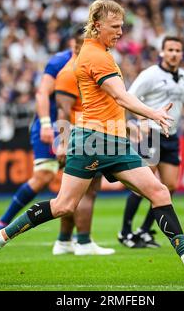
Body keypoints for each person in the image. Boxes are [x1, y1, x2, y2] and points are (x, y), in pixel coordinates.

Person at [0, 0, 184, 283]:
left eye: (122, 26)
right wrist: (154, 114)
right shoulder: (96, 56)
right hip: (93, 140)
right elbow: (120, 96)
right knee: (64, 206)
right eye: (115, 26)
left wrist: (130, 127)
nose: (121, 32)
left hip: (113, 138)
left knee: (159, 192)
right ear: (97, 26)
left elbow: (113, 103)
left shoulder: (97, 50)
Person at [0, 25, 113, 255]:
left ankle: (65, 240)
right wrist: (48, 124)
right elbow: (42, 93)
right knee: (47, 176)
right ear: (73, 44)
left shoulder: (97, 60)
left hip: (79, 128)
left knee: (75, 185)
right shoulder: (60, 63)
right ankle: (2, 223)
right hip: (56, 127)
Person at [118, 36, 184, 249]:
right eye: (170, 49)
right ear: (162, 53)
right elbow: (128, 98)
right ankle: (125, 232)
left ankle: (144, 230)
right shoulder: (150, 75)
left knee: (170, 186)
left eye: (177, 50)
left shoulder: (183, 76)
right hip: (152, 134)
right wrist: (141, 121)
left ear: (182, 54)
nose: (174, 53)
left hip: (171, 136)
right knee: (142, 186)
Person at [52, 30, 114, 256]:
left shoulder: (78, 68)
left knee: (70, 195)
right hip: (84, 137)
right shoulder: (72, 71)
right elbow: (62, 111)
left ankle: (64, 241)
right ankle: (84, 242)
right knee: (87, 193)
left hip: (84, 135)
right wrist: (62, 143)